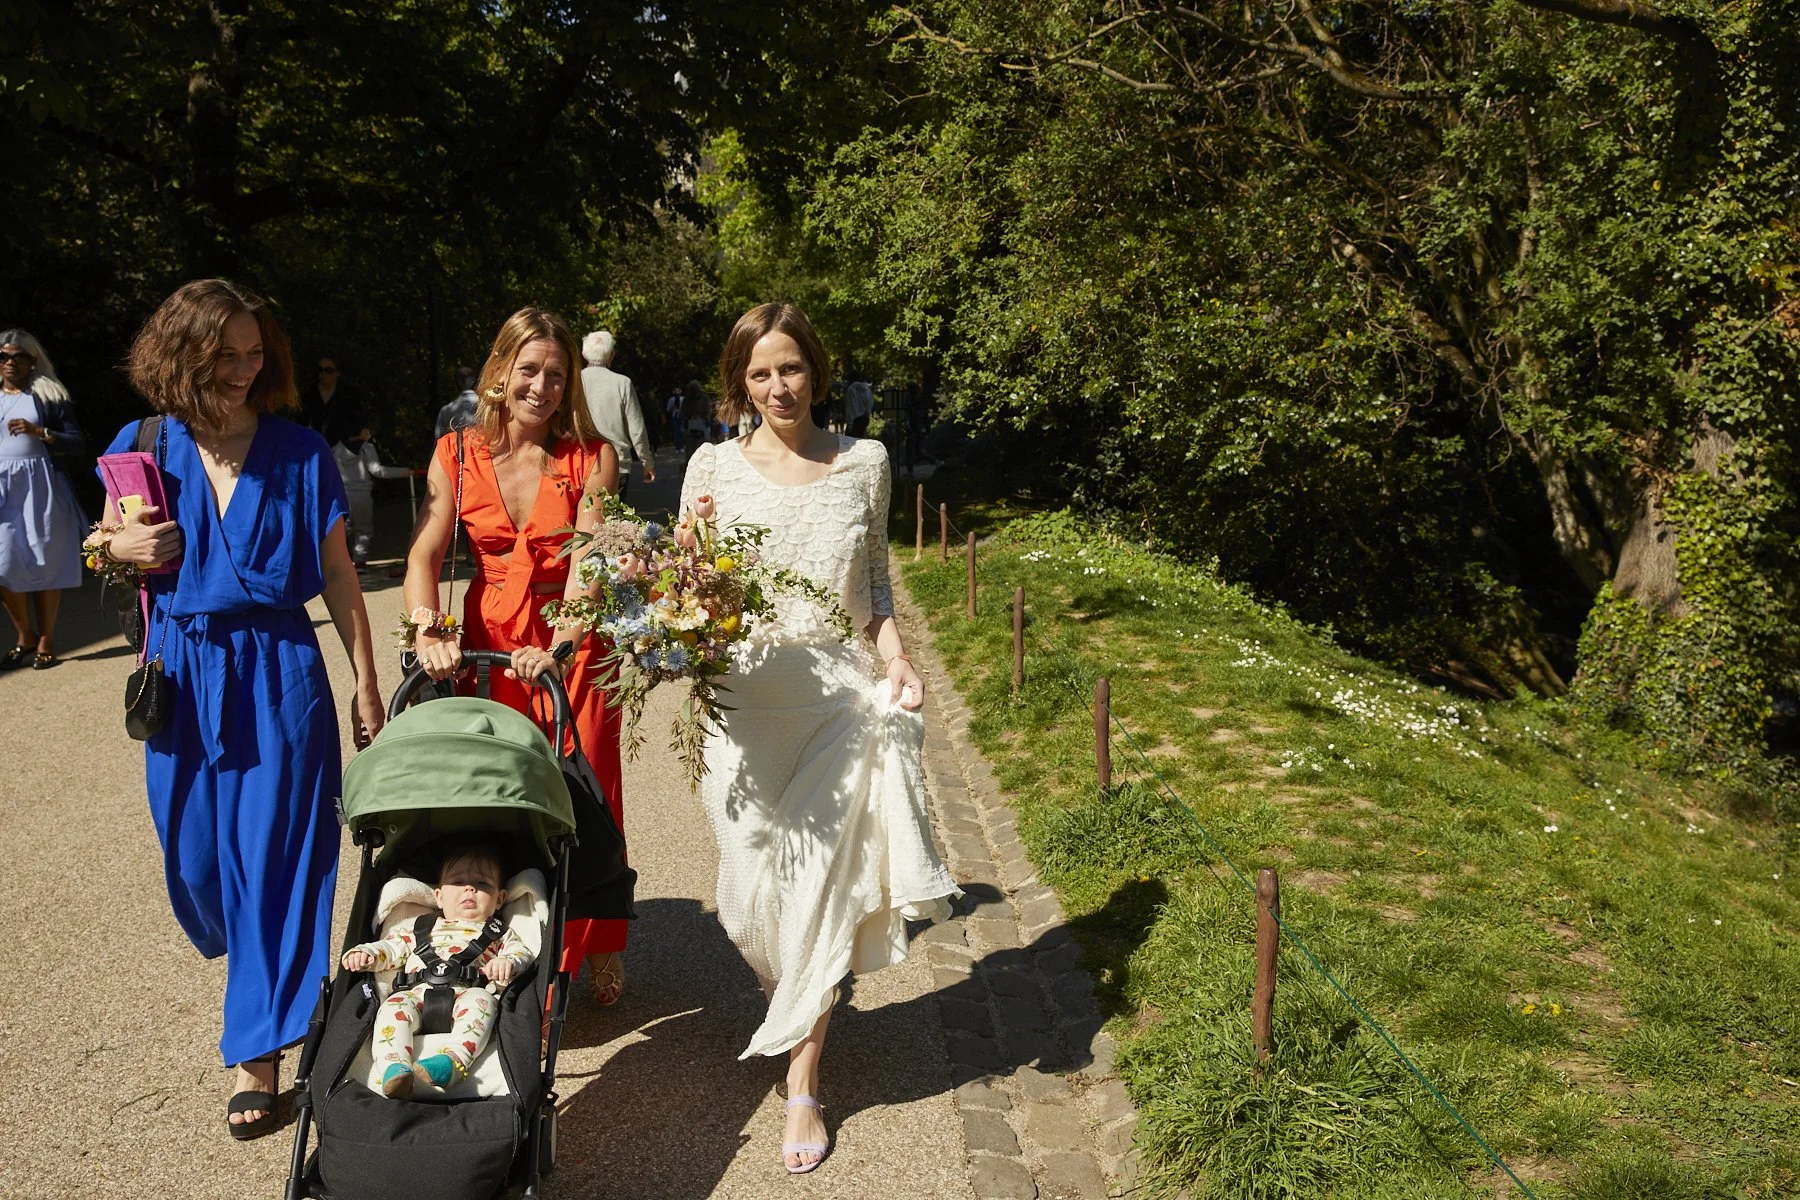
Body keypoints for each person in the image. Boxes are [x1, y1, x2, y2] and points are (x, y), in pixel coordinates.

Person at [95, 279, 385, 1140]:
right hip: (180, 672)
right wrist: (123, 545)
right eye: (225, 355)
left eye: (255, 353)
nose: (243, 369)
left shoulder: (298, 451)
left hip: (279, 671)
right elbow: (106, 541)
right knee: (195, 865)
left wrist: (364, 680)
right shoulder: (142, 441)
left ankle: (259, 1054)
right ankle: (261, 973)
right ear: (180, 353)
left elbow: (337, 576)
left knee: (276, 863)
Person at [680, 303, 956, 1174]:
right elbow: (688, 589)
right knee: (746, 898)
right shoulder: (711, 466)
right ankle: (796, 991)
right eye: (760, 373)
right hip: (739, 710)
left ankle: (803, 1081)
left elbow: (873, 586)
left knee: (815, 892)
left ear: (817, 372)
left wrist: (899, 660)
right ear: (740, 382)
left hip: (836, 702)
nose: (777, 387)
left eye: (790, 369)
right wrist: (671, 630)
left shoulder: (863, 462)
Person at [404, 307, 630, 1008]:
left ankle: (596, 939)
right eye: (528, 369)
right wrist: (425, 625)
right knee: (498, 795)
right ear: (500, 371)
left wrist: (562, 643)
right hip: (487, 645)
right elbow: (425, 551)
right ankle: (508, 947)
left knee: (583, 790)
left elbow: (590, 558)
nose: (542, 386)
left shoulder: (592, 457)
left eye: (556, 375)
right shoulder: (457, 453)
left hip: (572, 635)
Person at [340, 843, 534, 1098]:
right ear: (439, 896)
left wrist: (508, 963)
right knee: (392, 1008)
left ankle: (451, 1062)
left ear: (500, 899)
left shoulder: (499, 932)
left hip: (468, 992)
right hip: (416, 991)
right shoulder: (421, 928)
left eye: (483, 884)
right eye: (458, 882)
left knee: (483, 1003)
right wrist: (368, 953)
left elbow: (522, 953)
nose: (469, 888)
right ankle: (394, 1067)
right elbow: (392, 947)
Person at [0, 329, 85, 669]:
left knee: (46, 562)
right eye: (3, 356)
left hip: (42, 486)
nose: (10, 363)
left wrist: (41, 433)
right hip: (3, 488)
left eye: (18, 356)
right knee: (3, 564)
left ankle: (46, 639)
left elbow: (77, 442)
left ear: (33, 361)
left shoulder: (49, 395)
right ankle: (25, 635)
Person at [579, 330, 655, 501]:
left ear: (584, 354)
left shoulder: (573, 381)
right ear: (611, 355)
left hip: (579, 463)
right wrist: (647, 462)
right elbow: (636, 428)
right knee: (612, 523)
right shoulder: (623, 383)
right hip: (617, 465)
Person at [332, 427, 417, 568]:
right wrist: (403, 472)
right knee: (363, 529)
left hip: (342, 495)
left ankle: (340, 562)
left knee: (343, 530)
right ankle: (360, 561)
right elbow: (377, 470)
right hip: (363, 494)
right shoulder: (367, 448)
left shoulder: (335, 450)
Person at [300, 354, 367, 447]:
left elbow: (358, 420)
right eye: (320, 370)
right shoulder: (308, 394)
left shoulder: (348, 395)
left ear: (337, 373)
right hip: (312, 446)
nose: (323, 373)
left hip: (341, 450)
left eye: (328, 370)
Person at [435, 366, 481, 440]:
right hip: (483, 450)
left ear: (457, 383)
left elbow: (439, 439)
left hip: (456, 450)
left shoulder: (446, 411)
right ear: (474, 381)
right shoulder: (487, 407)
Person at [680, 379, 711, 452]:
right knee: (690, 447)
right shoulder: (686, 399)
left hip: (702, 425)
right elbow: (683, 413)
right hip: (690, 425)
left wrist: (703, 416)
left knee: (702, 447)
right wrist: (688, 418)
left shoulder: (704, 398)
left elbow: (708, 411)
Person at [845, 373, 875, 438]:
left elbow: (850, 407)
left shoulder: (851, 389)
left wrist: (850, 424)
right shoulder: (866, 389)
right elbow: (870, 402)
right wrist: (867, 413)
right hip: (864, 417)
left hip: (855, 420)